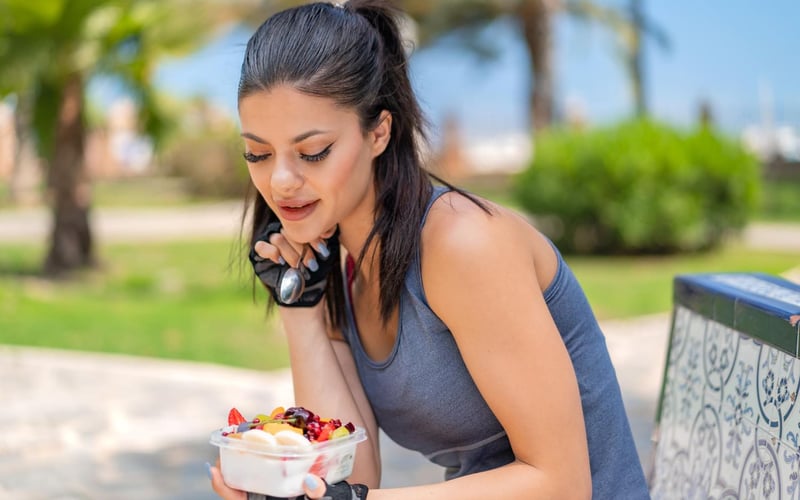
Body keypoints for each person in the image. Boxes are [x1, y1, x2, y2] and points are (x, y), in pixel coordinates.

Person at [209, 1, 650, 498]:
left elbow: (562, 483)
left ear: (378, 132)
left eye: (313, 152)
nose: (281, 181)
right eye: (258, 153)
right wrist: (300, 308)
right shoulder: (334, 255)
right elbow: (351, 474)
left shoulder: (463, 244)